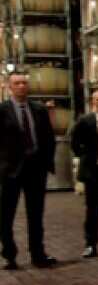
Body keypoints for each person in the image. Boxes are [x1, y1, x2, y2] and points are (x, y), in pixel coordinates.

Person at [0, 70, 57, 270]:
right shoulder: (2, 110)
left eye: (24, 83)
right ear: (9, 87)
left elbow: (49, 138)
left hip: (35, 169)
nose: (21, 86)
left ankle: (38, 254)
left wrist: (47, 163)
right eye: (17, 83)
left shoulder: (39, 109)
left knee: (36, 214)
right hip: (10, 171)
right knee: (5, 216)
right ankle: (9, 255)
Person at [71, 88, 98, 258]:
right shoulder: (84, 121)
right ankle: (90, 244)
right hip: (93, 172)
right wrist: (86, 158)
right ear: (93, 103)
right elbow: (75, 144)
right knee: (92, 210)